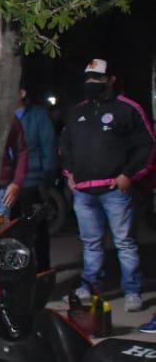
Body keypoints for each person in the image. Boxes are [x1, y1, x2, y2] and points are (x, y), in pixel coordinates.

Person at [60, 59, 154, 316]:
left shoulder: (128, 109)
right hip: (84, 191)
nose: (92, 83)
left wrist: (128, 175)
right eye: (89, 78)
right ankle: (90, 285)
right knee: (90, 243)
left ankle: (132, 290)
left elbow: (147, 146)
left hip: (116, 191)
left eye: (98, 79)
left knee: (124, 242)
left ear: (111, 80)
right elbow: (66, 146)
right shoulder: (78, 111)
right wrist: (69, 174)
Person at [15, 85, 57, 269]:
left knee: (38, 232)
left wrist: (46, 181)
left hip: (33, 182)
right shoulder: (0, 116)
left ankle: (42, 271)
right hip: (8, 185)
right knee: (13, 233)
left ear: (22, 93)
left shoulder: (38, 115)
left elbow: (49, 148)